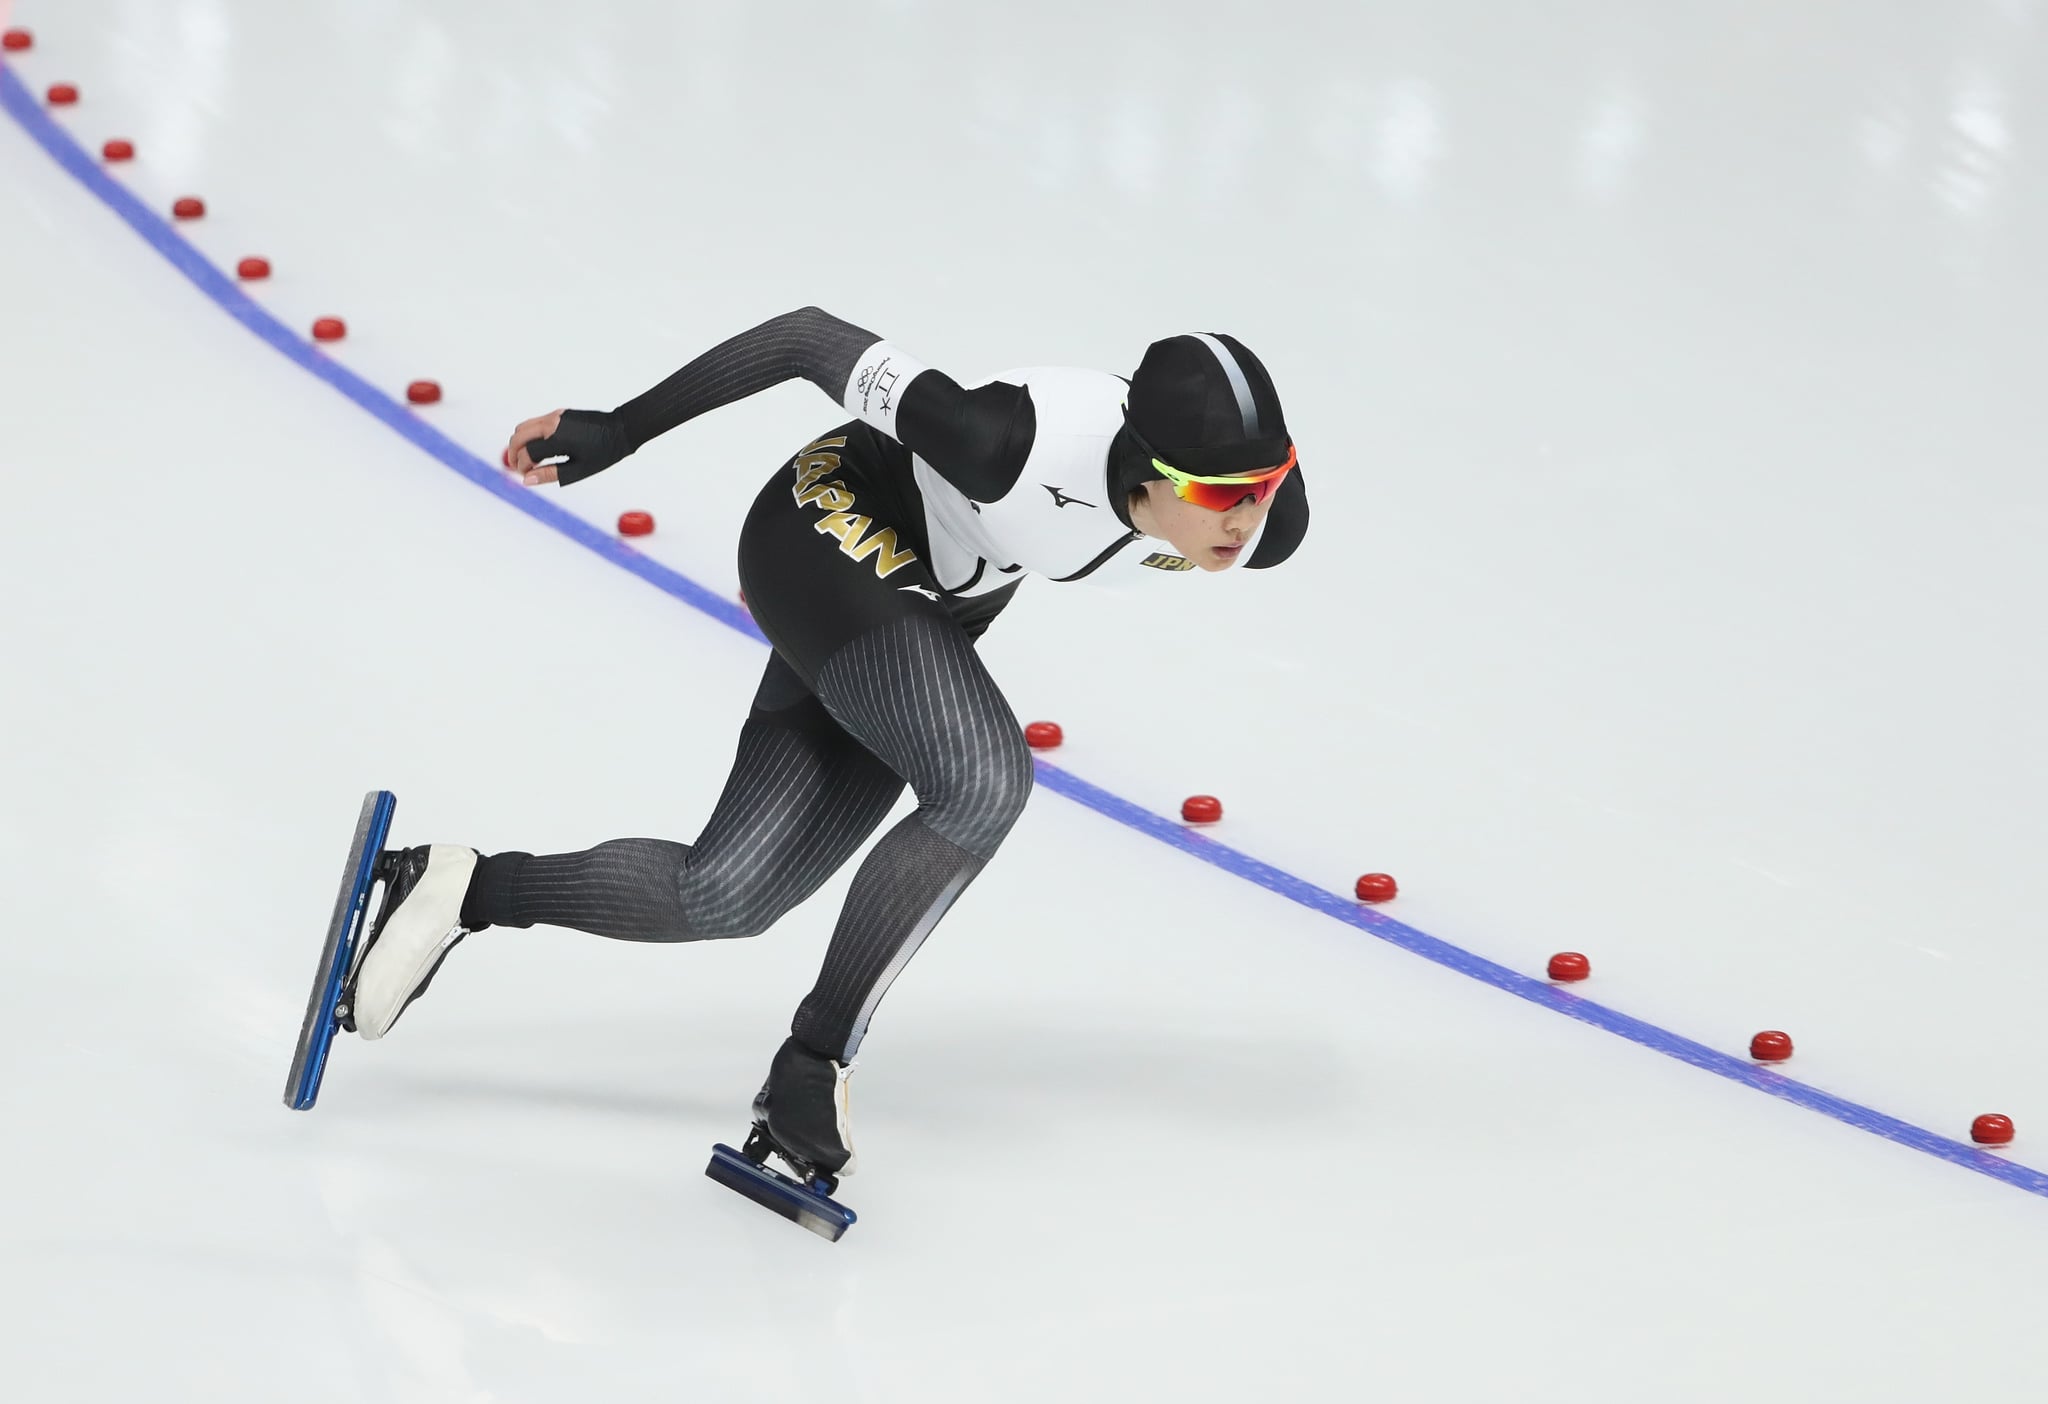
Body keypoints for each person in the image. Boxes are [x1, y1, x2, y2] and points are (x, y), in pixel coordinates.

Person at [343, 307, 1309, 1184]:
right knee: (984, 782)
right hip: (821, 530)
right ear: (1149, 470)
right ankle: (814, 1060)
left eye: (1267, 484)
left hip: (918, 607)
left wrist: (1254, 491)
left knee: (723, 893)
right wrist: (621, 427)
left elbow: (1245, 500)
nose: (1249, 516)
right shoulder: (1001, 442)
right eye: (1222, 492)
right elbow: (807, 339)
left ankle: (458, 886)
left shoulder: (1264, 524)